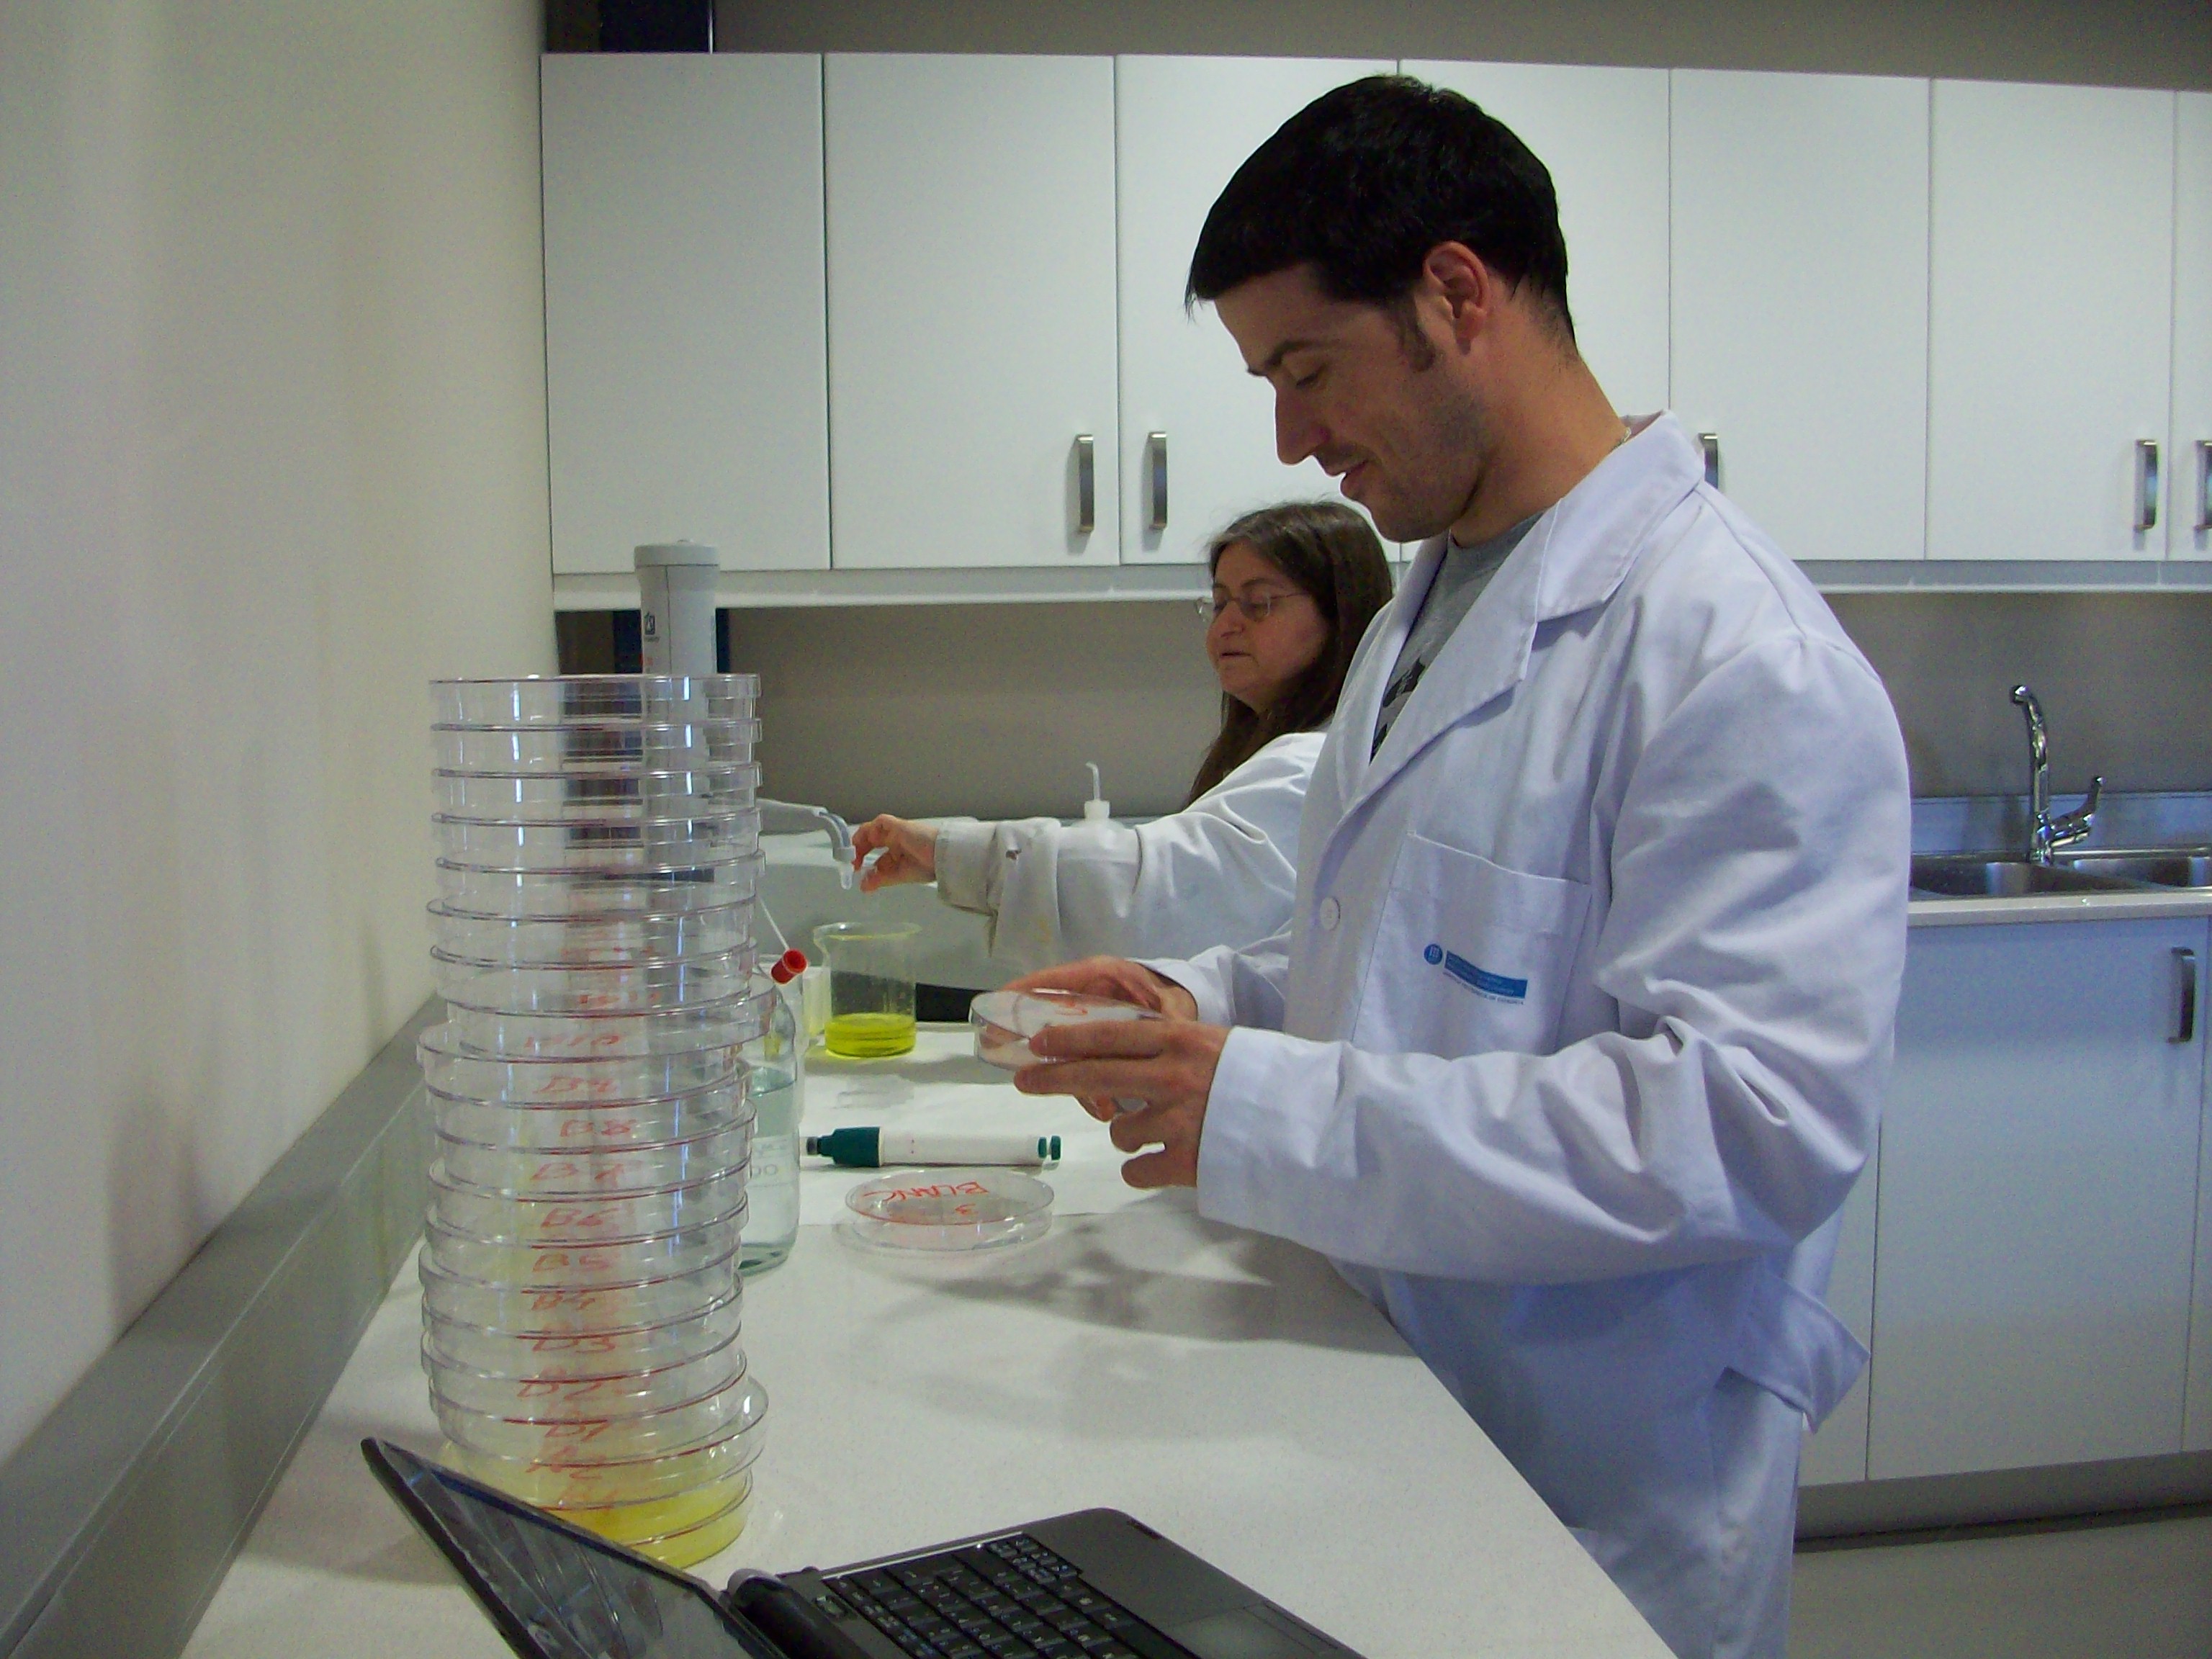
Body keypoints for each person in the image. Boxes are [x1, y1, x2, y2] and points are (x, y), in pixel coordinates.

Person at [1004, 77, 1912, 1659]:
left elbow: (1746, 1125)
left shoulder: (1735, 655)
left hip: (1593, 1474)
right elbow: (1406, 955)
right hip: (1388, 1409)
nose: (1290, 438)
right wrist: (1198, 1000)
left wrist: (1264, 1106)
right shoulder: (1425, 611)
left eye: (1306, 371)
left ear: (1455, 293)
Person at [849, 502, 1392, 974]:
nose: (1226, 625)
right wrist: (950, 857)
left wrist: (951, 852)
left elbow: (1149, 895)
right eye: (1220, 602)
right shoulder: (1293, 752)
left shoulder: (1313, 768)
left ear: (1340, 615)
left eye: (1259, 603)